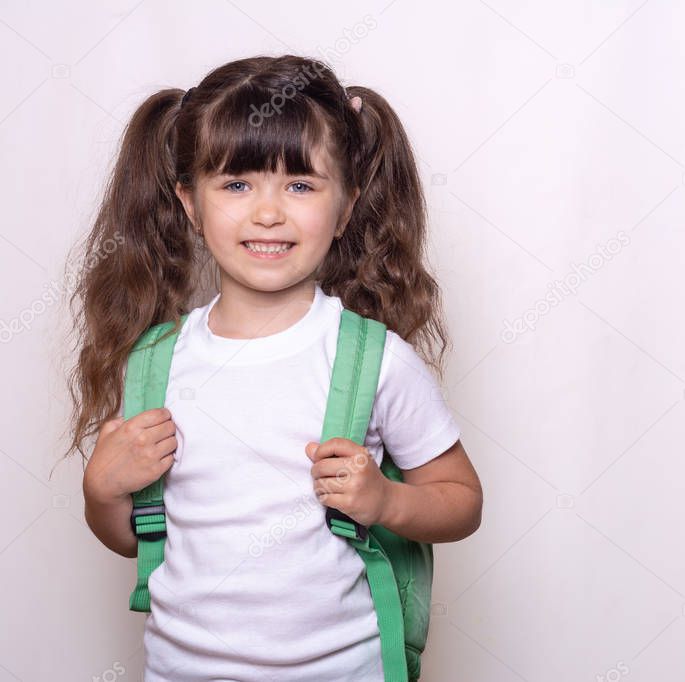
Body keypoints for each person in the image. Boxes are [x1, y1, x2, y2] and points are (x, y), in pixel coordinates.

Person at [63, 54, 483, 680]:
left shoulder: (373, 360)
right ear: (188, 202)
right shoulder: (155, 364)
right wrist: (101, 491)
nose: (268, 212)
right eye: (236, 185)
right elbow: (137, 538)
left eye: (301, 185)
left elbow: (462, 502)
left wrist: (386, 501)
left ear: (345, 207)